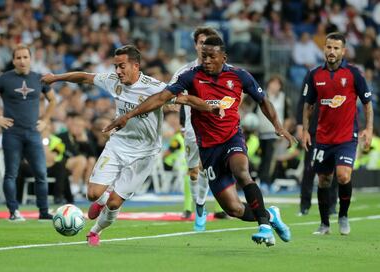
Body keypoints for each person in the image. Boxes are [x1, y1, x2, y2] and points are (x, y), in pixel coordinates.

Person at [106, 36, 295, 247]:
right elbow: (161, 98)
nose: (206, 60)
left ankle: (264, 227)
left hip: (232, 137)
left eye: (211, 56)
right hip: (208, 148)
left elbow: (263, 100)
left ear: (223, 57)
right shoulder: (191, 77)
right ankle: (270, 215)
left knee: (241, 171)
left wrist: (278, 126)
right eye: (203, 56)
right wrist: (128, 115)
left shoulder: (239, 76)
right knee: (233, 209)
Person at [41, 45, 220, 246]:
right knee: (93, 194)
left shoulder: (155, 87)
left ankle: (94, 231)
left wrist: (209, 107)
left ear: (136, 66)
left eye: (122, 66)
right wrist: (56, 78)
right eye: (115, 66)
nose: (117, 71)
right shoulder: (112, 81)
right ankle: (102, 200)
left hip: (145, 152)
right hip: (118, 145)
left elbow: (185, 98)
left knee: (115, 202)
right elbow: (84, 77)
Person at [302, 32, 373, 235]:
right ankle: (324, 224)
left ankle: (343, 216)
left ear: (343, 51)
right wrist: (306, 131)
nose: (331, 51)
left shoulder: (353, 73)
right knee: (324, 180)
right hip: (323, 138)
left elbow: (367, 104)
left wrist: (368, 129)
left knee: (342, 176)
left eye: (336, 48)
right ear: (324, 49)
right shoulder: (315, 74)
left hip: (346, 137)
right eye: (329, 47)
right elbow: (308, 105)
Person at [0, 44, 56, 221]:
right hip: (12, 133)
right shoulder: (4, 79)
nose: (22, 61)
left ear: (30, 59)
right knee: (11, 174)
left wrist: (45, 120)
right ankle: (14, 211)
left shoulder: (39, 79)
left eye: (25, 57)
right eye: (18, 57)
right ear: (13, 60)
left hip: (33, 133)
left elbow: (52, 100)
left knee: (41, 174)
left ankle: (43, 212)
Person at [170, 26, 226, 231]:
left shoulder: (224, 70)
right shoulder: (185, 72)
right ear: (196, 45)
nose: (204, 46)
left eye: (208, 43)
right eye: (201, 42)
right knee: (194, 171)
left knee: (213, 168)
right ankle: (199, 206)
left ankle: (216, 207)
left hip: (219, 128)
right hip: (193, 129)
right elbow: (170, 95)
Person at [296, 85, 338, 216]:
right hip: (314, 131)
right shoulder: (313, 75)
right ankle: (304, 205)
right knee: (309, 168)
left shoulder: (342, 75)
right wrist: (301, 125)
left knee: (334, 169)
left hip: (334, 132)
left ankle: (332, 205)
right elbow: (303, 101)